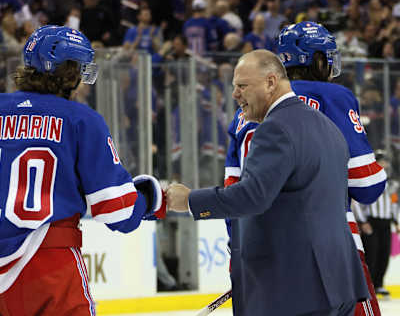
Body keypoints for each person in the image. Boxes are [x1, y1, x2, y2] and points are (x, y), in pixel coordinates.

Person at [0, 25, 165, 316]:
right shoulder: (80, 120)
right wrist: (153, 198)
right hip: (49, 270)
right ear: (70, 71)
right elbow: (117, 211)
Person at [167, 49, 369, 316]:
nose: (235, 94)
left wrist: (190, 201)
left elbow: (252, 197)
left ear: (271, 82)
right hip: (336, 283)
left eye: (242, 86)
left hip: (296, 289)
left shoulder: (275, 129)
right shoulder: (327, 126)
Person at [277, 21, 386, 316]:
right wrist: (380, 172)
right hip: (333, 248)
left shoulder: (250, 104)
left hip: (269, 252)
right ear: (315, 59)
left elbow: (238, 186)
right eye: (327, 55)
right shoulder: (334, 96)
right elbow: (367, 185)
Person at [353, 150, 400, 299]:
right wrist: (362, 221)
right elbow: (358, 203)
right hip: (371, 221)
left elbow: (394, 202)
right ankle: (369, 285)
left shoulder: (392, 184)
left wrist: (396, 221)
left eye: (385, 161)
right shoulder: (369, 181)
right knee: (371, 254)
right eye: (381, 161)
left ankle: (379, 284)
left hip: (385, 222)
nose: (384, 164)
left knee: (384, 253)